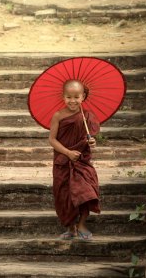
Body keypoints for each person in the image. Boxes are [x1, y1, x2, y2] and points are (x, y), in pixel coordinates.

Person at [48, 79, 100, 240]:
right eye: (68, 97)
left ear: (83, 97)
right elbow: (52, 140)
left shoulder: (87, 117)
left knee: (87, 190)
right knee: (64, 195)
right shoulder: (58, 116)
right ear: (63, 97)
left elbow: (89, 139)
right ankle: (71, 228)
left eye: (76, 97)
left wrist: (92, 142)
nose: (72, 101)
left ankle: (82, 224)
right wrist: (68, 152)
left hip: (81, 161)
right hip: (63, 161)